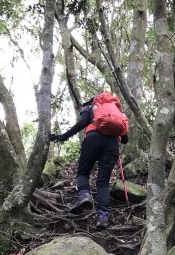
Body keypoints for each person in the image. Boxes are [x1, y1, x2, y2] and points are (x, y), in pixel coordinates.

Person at [50, 92, 129, 228]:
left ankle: (85, 195)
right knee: (103, 182)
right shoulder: (119, 113)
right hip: (112, 145)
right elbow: (125, 139)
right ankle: (102, 217)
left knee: (83, 172)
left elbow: (83, 123)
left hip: (93, 139)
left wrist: (63, 136)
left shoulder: (92, 107)